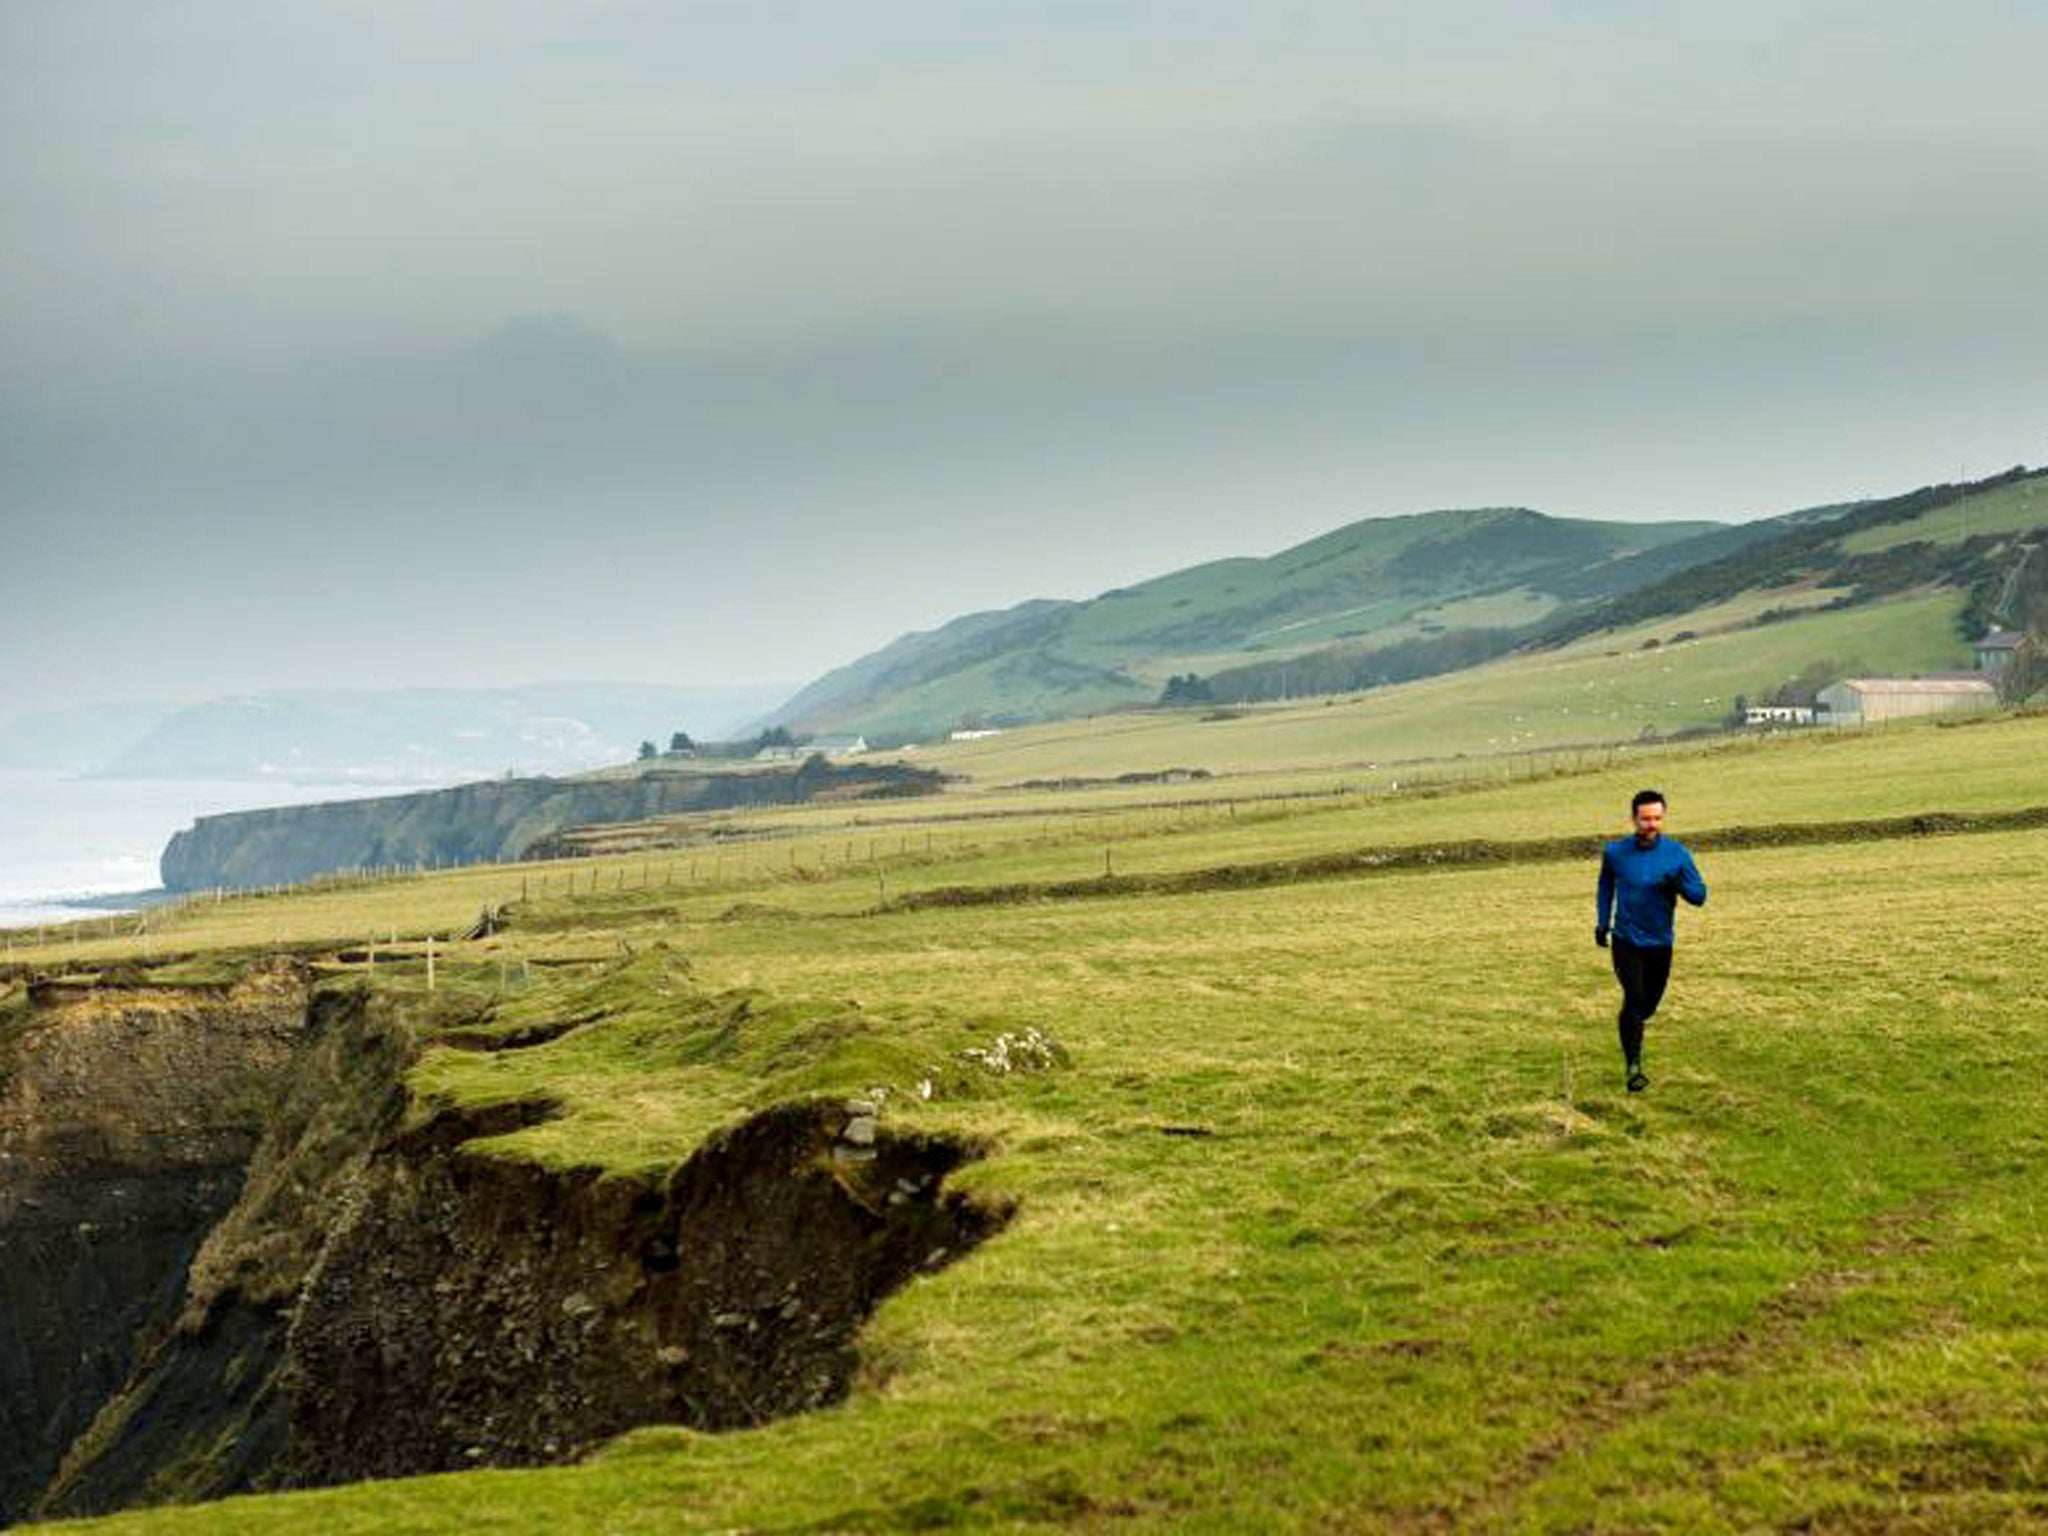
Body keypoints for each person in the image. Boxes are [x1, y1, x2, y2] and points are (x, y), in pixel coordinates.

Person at [1595, 789, 1707, 1093]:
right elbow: (1605, 885)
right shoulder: (1616, 853)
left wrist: (1679, 886)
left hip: (1660, 943)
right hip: (1626, 940)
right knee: (1634, 997)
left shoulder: (1677, 854)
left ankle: (1631, 1027)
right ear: (1634, 818)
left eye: (1657, 818)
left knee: (1646, 1006)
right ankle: (1633, 1066)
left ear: (1663, 818)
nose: (1651, 824)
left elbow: (1700, 897)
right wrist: (1602, 922)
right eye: (1645, 819)